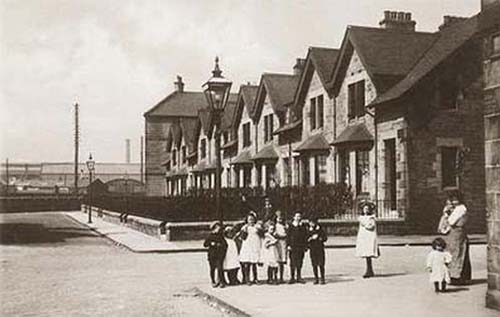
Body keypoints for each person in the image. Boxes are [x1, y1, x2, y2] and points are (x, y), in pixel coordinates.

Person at [441, 191, 471, 285]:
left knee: (458, 253)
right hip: (453, 234)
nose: (453, 202)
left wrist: (447, 214)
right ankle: (456, 275)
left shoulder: (461, 208)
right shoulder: (453, 208)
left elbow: (451, 221)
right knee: (454, 253)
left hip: (458, 233)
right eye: (452, 200)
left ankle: (458, 276)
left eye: (455, 200)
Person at [237, 212, 263, 285]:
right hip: (247, 246)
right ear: (247, 220)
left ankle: (255, 278)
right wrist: (244, 231)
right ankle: (247, 279)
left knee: (254, 263)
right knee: (247, 263)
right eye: (249, 219)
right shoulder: (245, 227)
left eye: (252, 219)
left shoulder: (257, 227)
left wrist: (259, 230)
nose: (251, 221)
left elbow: (262, 235)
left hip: (255, 245)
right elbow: (242, 238)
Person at [355, 201, 379, 278]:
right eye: (364, 209)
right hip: (364, 237)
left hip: (370, 237)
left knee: (369, 253)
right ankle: (369, 270)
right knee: (365, 253)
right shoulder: (361, 218)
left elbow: (371, 226)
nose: (366, 210)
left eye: (367, 209)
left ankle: (369, 270)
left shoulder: (371, 218)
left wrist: (365, 225)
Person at [203, 221, 228, 288]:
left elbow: (225, 245)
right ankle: (213, 281)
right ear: (213, 228)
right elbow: (205, 244)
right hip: (212, 255)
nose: (218, 229)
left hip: (219, 255)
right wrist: (211, 244)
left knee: (220, 268)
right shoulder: (210, 236)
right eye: (217, 227)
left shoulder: (220, 236)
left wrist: (221, 246)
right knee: (212, 268)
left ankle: (221, 281)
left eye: (219, 227)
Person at [287, 211, 308, 284]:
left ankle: (299, 276)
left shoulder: (303, 226)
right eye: (297, 216)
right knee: (292, 262)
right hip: (293, 246)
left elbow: (305, 236)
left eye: (299, 216)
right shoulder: (291, 226)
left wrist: (306, 246)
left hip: (300, 246)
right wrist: (288, 245)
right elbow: (288, 236)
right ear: (294, 217)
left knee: (300, 261)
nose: (298, 218)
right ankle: (292, 277)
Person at [308, 217, 327, 285]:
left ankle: (322, 278)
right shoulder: (308, 230)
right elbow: (305, 238)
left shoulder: (320, 229)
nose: (311, 224)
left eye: (313, 222)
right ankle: (316, 278)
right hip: (312, 249)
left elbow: (325, 238)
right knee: (314, 264)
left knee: (321, 264)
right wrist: (310, 238)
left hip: (320, 248)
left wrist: (319, 238)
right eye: (310, 222)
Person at [274, 210, 288, 284]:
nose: (280, 219)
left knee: (282, 261)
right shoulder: (274, 226)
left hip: (283, 243)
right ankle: (275, 277)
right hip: (277, 243)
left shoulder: (285, 226)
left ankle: (281, 277)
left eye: (281, 218)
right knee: (277, 261)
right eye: (278, 218)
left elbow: (287, 234)